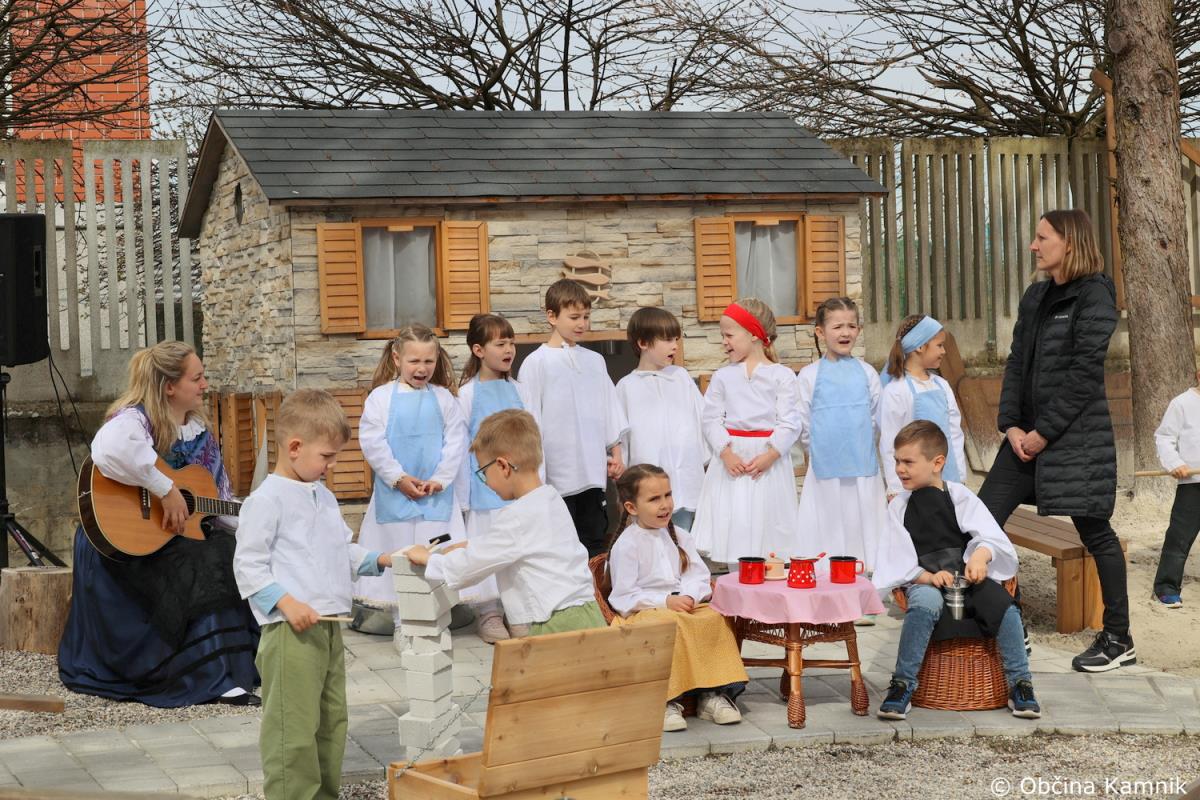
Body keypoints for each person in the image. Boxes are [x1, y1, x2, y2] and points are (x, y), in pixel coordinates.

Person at [58, 341, 260, 707]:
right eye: (196, 378)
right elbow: (108, 450)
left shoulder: (200, 433)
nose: (205, 385)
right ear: (169, 387)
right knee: (203, 560)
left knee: (228, 548)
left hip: (171, 538)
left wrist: (259, 523)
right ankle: (206, 673)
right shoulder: (135, 419)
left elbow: (220, 502)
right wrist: (164, 489)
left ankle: (235, 667)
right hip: (123, 542)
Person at [977, 208, 1132, 673]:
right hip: (1023, 441)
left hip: (1075, 441)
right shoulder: (1036, 296)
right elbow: (1016, 363)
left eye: (1042, 237)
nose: (1034, 245)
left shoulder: (1095, 293)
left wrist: (1044, 433)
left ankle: (1118, 638)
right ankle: (1009, 623)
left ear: (1070, 242)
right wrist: (1011, 425)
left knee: (1095, 532)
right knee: (980, 523)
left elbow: (1084, 374)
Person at [233, 389, 393, 800]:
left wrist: (381, 559)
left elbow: (341, 550)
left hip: (328, 627)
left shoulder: (323, 495)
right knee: (293, 729)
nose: (332, 465)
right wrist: (286, 603)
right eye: (326, 456)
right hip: (290, 632)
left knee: (331, 722)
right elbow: (248, 565)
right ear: (294, 447)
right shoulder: (265, 500)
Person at [873, 421, 1040, 721]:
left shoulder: (959, 496)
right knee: (924, 605)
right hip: (924, 580)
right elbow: (895, 559)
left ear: (937, 463)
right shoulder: (899, 506)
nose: (899, 469)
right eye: (897, 461)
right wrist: (927, 577)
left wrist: (980, 557)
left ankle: (1020, 683)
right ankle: (903, 684)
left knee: (1004, 607)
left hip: (967, 578)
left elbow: (991, 537)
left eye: (908, 462)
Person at [407, 409, 606, 636]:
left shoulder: (516, 516)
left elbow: (469, 567)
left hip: (556, 623)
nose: (485, 482)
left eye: (483, 472)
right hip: (588, 613)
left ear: (502, 466)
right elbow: (516, 543)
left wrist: (429, 559)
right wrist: (466, 544)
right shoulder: (551, 499)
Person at [606, 464, 748, 733]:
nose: (665, 505)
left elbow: (698, 575)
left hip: (683, 605)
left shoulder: (680, 536)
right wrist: (665, 601)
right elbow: (624, 596)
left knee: (713, 618)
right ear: (632, 507)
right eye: (654, 499)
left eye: (667, 495)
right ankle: (665, 700)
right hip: (644, 611)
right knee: (669, 624)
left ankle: (711, 694)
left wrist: (689, 595)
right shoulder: (628, 544)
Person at [353, 324, 467, 629]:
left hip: (436, 498)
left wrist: (440, 479)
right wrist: (398, 478)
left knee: (436, 554)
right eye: (414, 361)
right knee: (400, 558)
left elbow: (456, 442)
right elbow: (373, 443)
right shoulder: (380, 398)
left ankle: (436, 619)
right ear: (397, 358)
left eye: (428, 361)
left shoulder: (445, 399)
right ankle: (402, 624)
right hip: (394, 497)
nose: (422, 368)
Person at [517, 278, 628, 557]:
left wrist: (616, 453)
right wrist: (536, 477)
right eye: (574, 317)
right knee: (560, 549)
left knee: (595, 543)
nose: (582, 324)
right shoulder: (536, 363)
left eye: (586, 317)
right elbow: (530, 422)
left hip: (592, 472)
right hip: (556, 477)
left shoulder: (594, 361)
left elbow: (609, 409)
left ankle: (596, 587)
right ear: (552, 316)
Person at [690, 298, 801, 567]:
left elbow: (790, 422)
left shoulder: (782, 376)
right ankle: (737, 582)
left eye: (729, 335)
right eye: (723, 336)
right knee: (735, 521)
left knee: (768, 524)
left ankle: (770, 580)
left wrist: (770, 456)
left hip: (767, 462)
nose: (724, 342)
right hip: (732, 461)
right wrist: (725, 453)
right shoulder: (723, 376)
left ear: (753, 334)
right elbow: (710, 419)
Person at [455, 313, 537, 643]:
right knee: (488, 551)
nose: (509, 350)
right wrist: (463, 499)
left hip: (520, 491)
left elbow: (535, 440)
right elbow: (461, 450)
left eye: (511, 343)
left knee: (519, 553)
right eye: (500, 344)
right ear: (478, 350)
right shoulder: (466, 395)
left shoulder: (522, 391)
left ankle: (517, 612)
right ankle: (488, 613)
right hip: (484, 491)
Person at [795, 297, 888, 587]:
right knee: (828, 527)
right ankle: (826, 584)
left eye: (851, 326)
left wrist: (862, 445)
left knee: (863, 524)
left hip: (862, 467)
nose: (845, 332)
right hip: (825, 469)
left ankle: (866, 584)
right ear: (820, 332)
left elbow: (878, 419)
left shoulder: (868, 373)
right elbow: (803, 423)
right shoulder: (809, 376)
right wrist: (818, 451)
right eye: (837, 327)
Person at [615, 307, 707, 530]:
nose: (674, 346)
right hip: (647, 490)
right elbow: (620, 439)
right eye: (667, 340)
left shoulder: (681, 378)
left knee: (683, 540)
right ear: (643, 343)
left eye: (676, 339)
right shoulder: (626, 387)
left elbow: (703, 421)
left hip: (684, 484)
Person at [878, 314, 968, 498]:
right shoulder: (897, 390)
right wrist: (895, 487)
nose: (944, 351)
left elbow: (954, 434)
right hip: (912, 483)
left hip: (946, 477)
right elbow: (889, 441)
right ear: (919, 346)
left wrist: (959, 476)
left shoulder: (942, 385)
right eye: (939, 345)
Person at [1151, 366, 1200, 608]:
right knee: (1179, 538)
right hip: (1193, 484)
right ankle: (1166, 587)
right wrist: (1175, 463)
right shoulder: (1182, 403)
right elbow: (1164, 437)